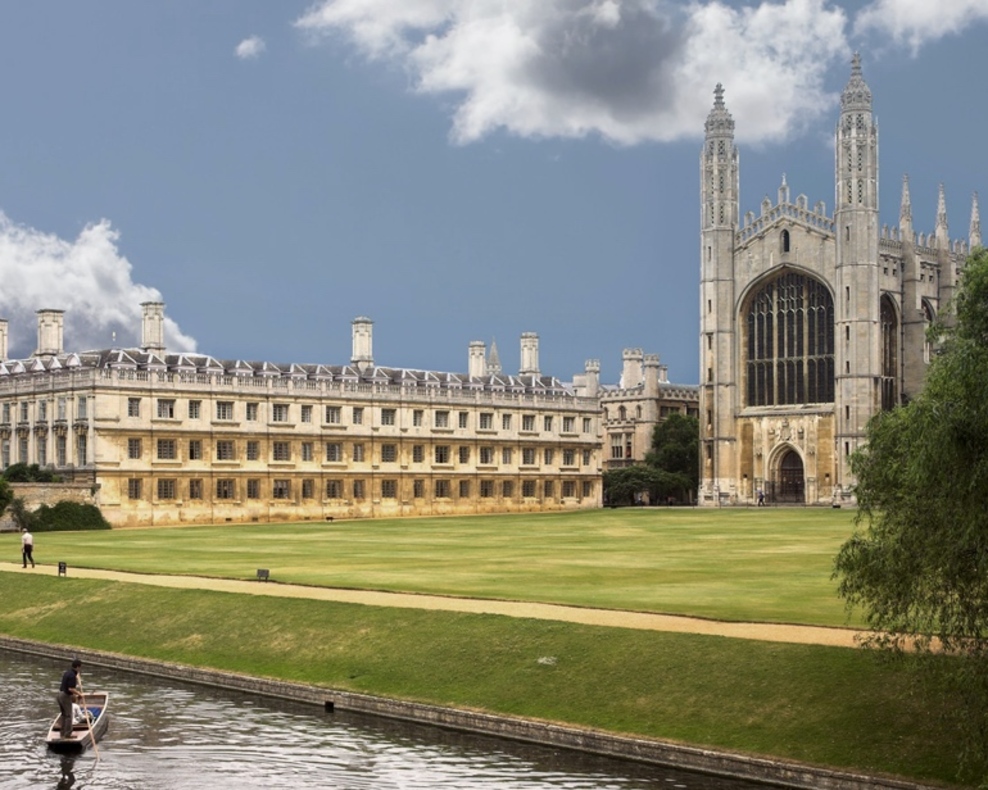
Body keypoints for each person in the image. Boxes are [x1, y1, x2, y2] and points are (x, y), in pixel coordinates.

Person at [57, 659, 83, 739]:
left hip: (59, 695)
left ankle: (62, 733)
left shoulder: (67, 673)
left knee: (64, 715)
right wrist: (79, 694)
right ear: (78, 667)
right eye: (80, 667)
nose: (80, 669)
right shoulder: (72, 676)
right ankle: (67, 734)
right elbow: (70, 689)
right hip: (65, 696)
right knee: (68, 716)